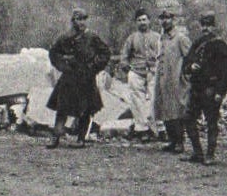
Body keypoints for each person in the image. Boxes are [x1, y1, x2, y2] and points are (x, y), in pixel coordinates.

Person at [45, 9, 111, 148]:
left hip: (86, 77)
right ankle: (55, 137)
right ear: (72, 21)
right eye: (78, 19)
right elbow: (54, 53)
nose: (81, 22)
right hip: (69, 77)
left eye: (83, 19)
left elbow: (105, 53)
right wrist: (63, 66)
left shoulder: (92, 37)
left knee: (85, 109)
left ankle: (81, 139)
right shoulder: (65, 37)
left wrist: (93, 66)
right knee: (62, 108)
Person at [182, 11, 227, 165]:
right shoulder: (197, 44)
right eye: (203, 26)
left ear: (214, 27)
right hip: (196, 89)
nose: (206, 29)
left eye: (209, 26)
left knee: (211, 122)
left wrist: (220, 92)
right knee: (188, 119)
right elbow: (186, 64)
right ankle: (197, 153)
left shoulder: (220, 45)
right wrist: (191, 66)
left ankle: (210, 154)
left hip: (211, 90)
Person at [118, 8, 161, 141]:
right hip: (136, 71)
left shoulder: (157, 37)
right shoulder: (132, 38)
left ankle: (158, 129)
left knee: (155, 99)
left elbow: (162, 54)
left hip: (153, 71)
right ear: (136, 23)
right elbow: (124, 55)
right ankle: (142, 129)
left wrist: (159, 68)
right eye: (139, 20)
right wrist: (127, 69)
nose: (142, 22)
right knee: (137, 100)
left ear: (149, 21)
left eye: (144, 19)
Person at [152, 9, 191, 152]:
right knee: (164, 109)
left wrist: (184, 76)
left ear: (173, 20)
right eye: (162, 18)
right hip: (163, 79)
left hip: (176, 80)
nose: (164, 21)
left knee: (176, 110)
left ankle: (180, 141)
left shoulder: (180, 38)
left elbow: (189, 58)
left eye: (167, 18)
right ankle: (172, 141)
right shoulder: (161, 38)